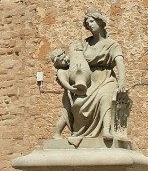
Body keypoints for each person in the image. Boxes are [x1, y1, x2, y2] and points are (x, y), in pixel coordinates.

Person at [56, 9, 127, 142]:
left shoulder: (112, 45)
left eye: (92, 21)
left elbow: (120, 62)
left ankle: (106, 130)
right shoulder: (85, 44)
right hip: (88, 81)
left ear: (100, 22)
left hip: (106, 78)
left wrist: (122, 81)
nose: (90, 25)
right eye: (87, 23)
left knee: (105, 96)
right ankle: (80, 132)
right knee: (77, 104)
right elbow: (76, 63)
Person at [50, 46, 91, 138]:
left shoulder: (70, 66)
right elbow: (64, 83)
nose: (65, 60)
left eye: (65, 57)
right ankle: (57, 133)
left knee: (72, 114)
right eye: (62, 60)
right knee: (66, 115)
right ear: (58, 63)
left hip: (73, 94)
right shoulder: (61, 71)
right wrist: (72, 89)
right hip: (68, 96)